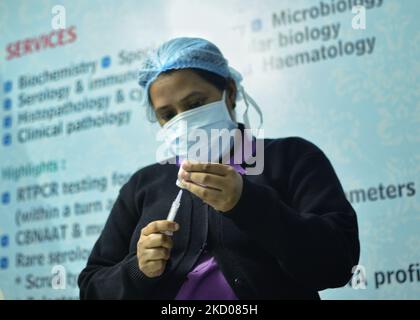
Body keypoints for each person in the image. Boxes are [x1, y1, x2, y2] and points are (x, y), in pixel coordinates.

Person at [78, 37, 360, 299]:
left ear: (230, 92)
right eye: (167, 114)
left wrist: (247, 203)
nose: (183, 120)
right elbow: (91, 287)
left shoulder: (291, 158)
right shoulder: (143, 185)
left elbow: (336, 264)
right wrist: (138, 270)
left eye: (195, 103)